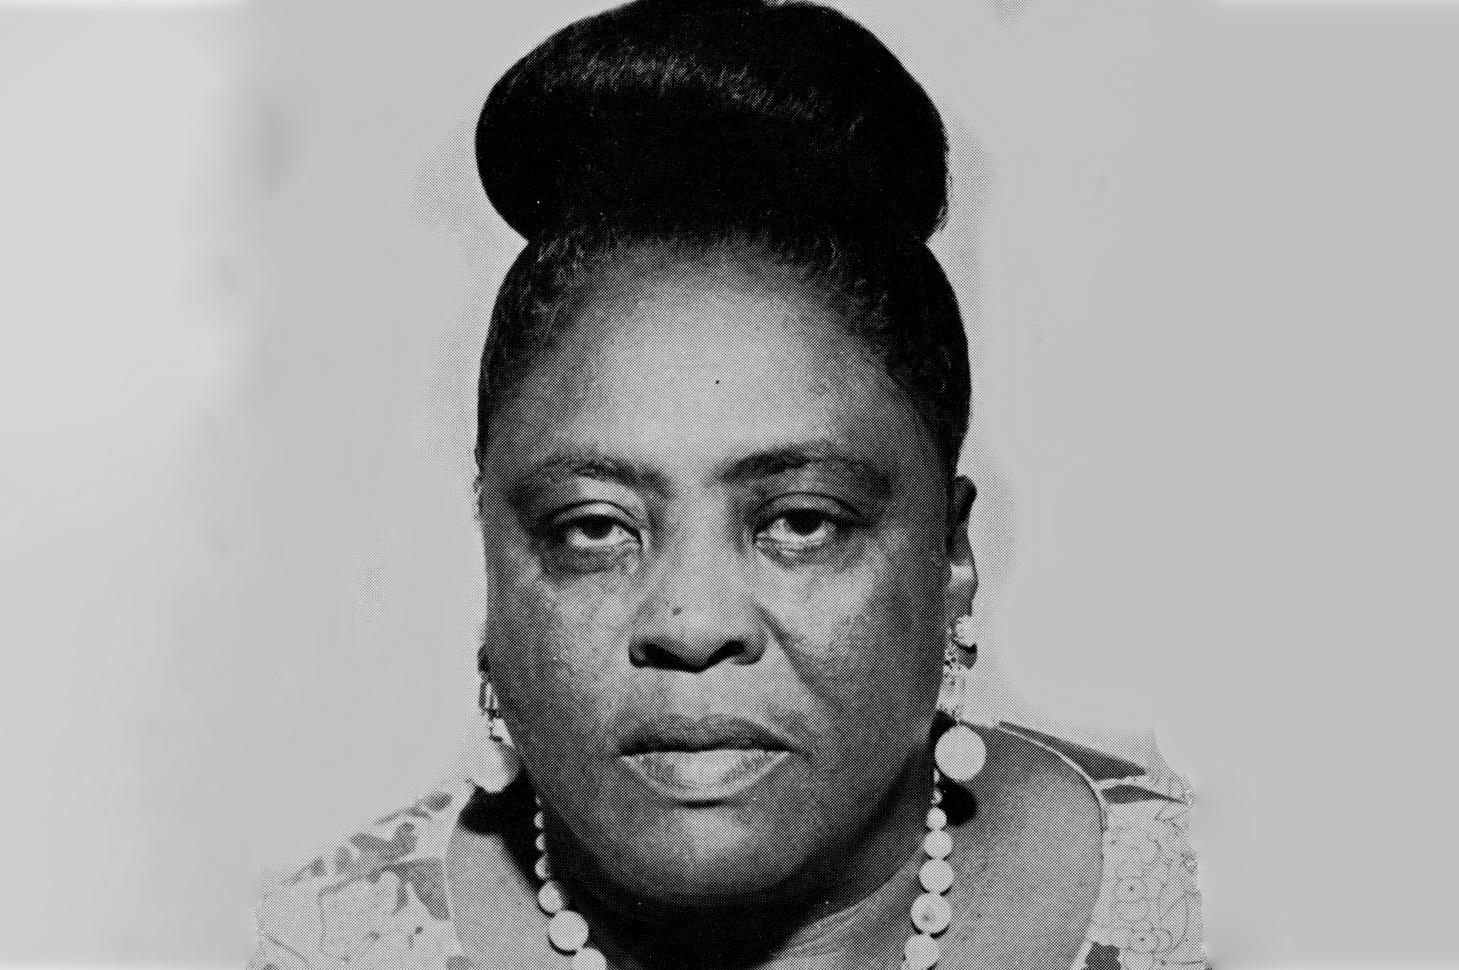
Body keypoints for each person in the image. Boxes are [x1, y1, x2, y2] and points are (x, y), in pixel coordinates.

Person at [250, 1, 1205, 968]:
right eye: (591, 530)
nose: (691, 623)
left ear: (949, 555)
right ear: (492, 552)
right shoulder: (315, 946)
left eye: (799, 521)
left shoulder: (1244, 914)